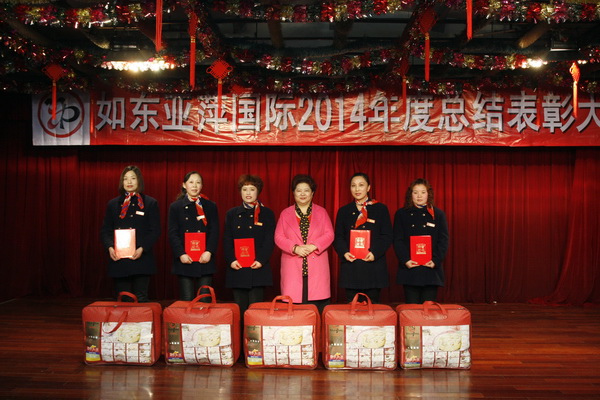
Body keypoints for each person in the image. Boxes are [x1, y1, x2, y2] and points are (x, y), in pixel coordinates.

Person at [100, 165, 161, 302]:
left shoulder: (150, 203)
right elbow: (105, 231)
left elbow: (155, 231)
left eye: (133, 178)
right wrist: (110, 247)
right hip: (119, 261)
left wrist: (142, 248)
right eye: (125, 179)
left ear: (139, 180)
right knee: (124, 300)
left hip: (142, 259)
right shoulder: (113, 204)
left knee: (141, 300)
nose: (129, 182)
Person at [274, 174, 334, 312]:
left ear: (312, 193)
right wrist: (294, 248)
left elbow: (329, 234)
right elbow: (278, 237)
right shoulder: (285, 213)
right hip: (292, 266)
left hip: (317, 266)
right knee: (295, 311)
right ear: (293, 193)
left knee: (316, 309)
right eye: (298, 190)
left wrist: (314, 246)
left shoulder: (322, 212)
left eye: (306, 190)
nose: (302, 194)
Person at [334, 173, 393, 304]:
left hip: (373, 267)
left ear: (368, 187)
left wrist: (374, 253)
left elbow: (387, 236)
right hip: (351, 267)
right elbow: (338, 237)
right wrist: (344, 252)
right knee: (352, 310)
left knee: (372, 309)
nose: (357, 189)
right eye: (353, 186)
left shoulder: (380, 209)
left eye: (361, 185)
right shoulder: (344, 211)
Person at [223, 174, 275, 316]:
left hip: (258, 268)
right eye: (245, 189)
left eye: (252, 189)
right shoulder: (231, 214)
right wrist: (231, 260)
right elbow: (227, 239)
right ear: (240, 191)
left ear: (258, 191)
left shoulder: (267, 213)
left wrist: (261, 260)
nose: (248, 193)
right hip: (237, 268)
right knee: (240, 311)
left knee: (256, 312)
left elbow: (269, 240)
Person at [393, 178, 449, 304]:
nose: (419, 196)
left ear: (428, 194)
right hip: (410, 268)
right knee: (412, 309)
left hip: (430, 269)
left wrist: (435, 261)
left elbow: (443, 240)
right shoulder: (401, 214)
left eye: (423, 192)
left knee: (428, 310)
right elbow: (397, 240)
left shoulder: (438, 214)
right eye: (415, 192)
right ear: (410, 194)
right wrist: (406, 260)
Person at [168, 171, 219, 301]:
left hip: (205, 258)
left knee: (205, 299)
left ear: (202, 185)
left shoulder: (210, 206)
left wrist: (209, 251)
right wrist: (181, 254)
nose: (194, 185)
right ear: (184, 185)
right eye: (191, 182)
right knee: (187, 299)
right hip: (185, 259)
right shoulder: (175, 207)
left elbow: (214, 231)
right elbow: (173, 233)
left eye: (198, 182)